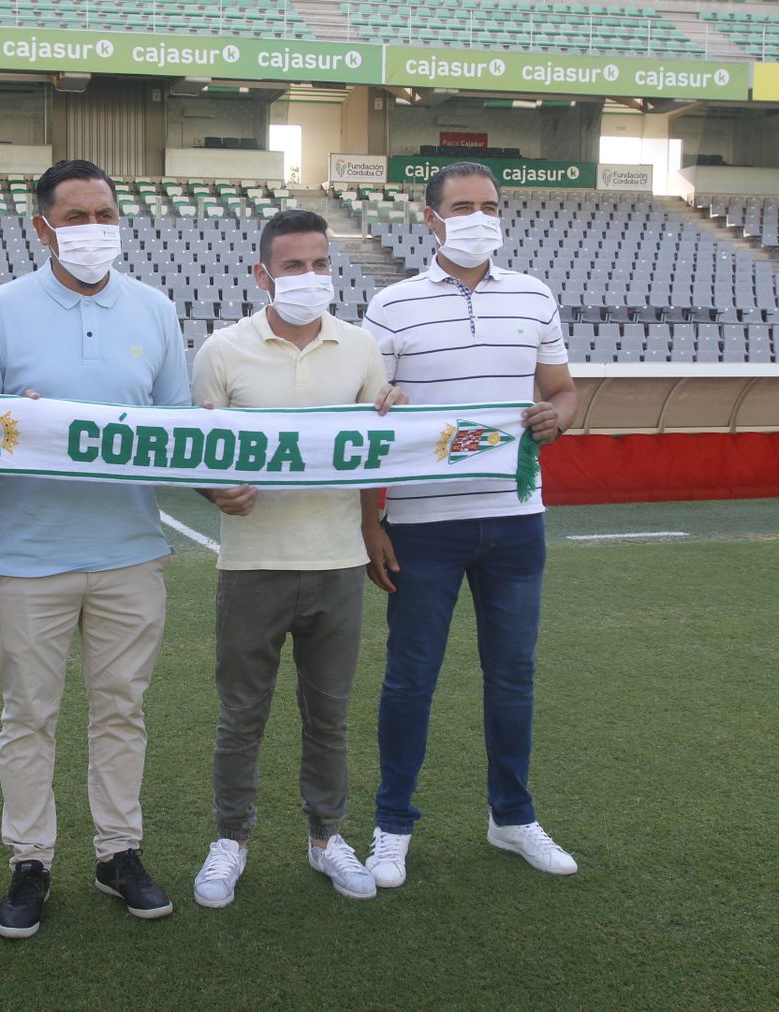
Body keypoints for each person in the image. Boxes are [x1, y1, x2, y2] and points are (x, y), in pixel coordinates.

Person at [0, 159, 189, 939]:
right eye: (78, 216)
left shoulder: (155, 310)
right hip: (30, 555)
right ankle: (31, 860)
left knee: (122, 709)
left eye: (106, 214)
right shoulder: (0, 309)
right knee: (29, 716)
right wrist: (9, 426)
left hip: (130, 549)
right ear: (43, 226)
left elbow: (178, 431)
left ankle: (117, 851)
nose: (95, 230)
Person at [358, 161, 580, 888]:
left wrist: (557, 418)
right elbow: (365, 416)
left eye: (489, 205)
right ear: (431, 218)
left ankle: (511, 818)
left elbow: (563, 391)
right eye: (462, 206)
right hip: (423, 523)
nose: (478, 216)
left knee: (513, 676)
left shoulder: (535, 295)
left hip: (515, 520)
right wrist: (372, 522)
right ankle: (393, 825)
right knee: (409, 679)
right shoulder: (391, 306)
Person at [187, 210, 406, 908]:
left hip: (338, 562)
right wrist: (216, 490)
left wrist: (394, 418)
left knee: (329, 714)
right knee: (241, 715)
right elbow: (198, 451)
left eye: (319, 264)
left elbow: (376, 445)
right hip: (252, 565)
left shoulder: (362, 346)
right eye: (293, 266)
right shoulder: (222, 350)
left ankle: (326, 837)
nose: (309, 278)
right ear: (263, 274)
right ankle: (232, 840)